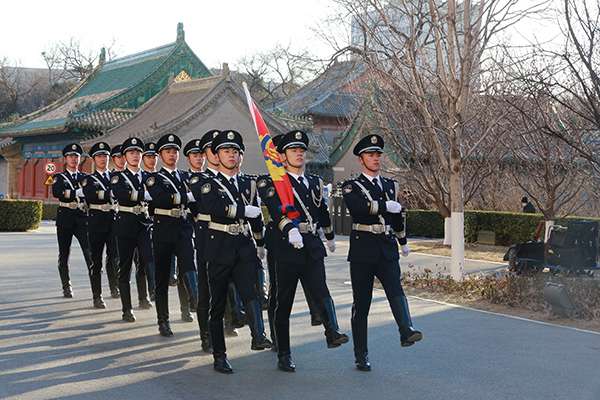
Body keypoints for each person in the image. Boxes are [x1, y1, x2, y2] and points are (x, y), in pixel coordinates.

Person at [260, 130, 349, 372]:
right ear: (282, 155)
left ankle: (332, 330)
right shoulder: (272, 182)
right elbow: (275, 208)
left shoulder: (315, 182)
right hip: (287, 245)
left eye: (302, 151)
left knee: (320, 288)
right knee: (284, 301)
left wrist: (329, 237)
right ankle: (284, 353)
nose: (299, 154)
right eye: (293, 151)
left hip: (311, 244)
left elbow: (321, 212)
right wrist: (289, 227)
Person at [342, 134, 422, 372]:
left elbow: (396, 216)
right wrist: (384, 205)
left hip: (387, 246)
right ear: (360, 159)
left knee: (395, 288)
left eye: (378, 155)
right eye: (371, 155)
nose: (376, 159)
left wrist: (403, 240)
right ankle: (361, 354)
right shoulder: (351, 186)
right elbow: (357, 208)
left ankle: (406, 329)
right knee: (362, 303)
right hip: (363, 248)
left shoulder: (391, 185)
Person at [198, 130, 272, 373]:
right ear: (216, 156)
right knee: (217, 305)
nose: (231, 155)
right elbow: (215, 207)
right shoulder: (207, 183)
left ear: (240, 156)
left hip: (243, 246)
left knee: (250, 292)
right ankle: (220, 355)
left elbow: (257, 216)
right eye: (226, 151)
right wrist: (243, 211)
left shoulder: (248, 183)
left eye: (235, 152)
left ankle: (258, 335)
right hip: (218, 247)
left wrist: (260, 242)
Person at [144, 134, 198, 337]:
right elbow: (161, 198)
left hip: (183, 228)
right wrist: (185, 197)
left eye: (175, 151)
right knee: (162, 277)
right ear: (160, 155)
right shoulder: (153, 178)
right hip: (163, 229)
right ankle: (163, 320)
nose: (172, 155)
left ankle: (194, 298)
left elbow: (196, 201)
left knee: (188, 265)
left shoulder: (186, 177)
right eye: (168, 151)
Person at [110, 137, 155, 323]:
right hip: (125, 224)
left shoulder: (149, 177)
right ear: (125, 156)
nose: (135, 156)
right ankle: (127, 308)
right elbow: (121, 194)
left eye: (138, 153)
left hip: (144, 223)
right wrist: (143, 195)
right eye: (131, 153)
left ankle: (151, 291)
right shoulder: (117, 177)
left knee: (148, 257)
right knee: (125, 267)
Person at [51, 143, 93, 298]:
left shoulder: (85, 177)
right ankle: (66, 285)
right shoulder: (58, 177)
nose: (74, 159)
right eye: (71, 156)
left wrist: (78, 193)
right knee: (64, 252)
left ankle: (95, 289)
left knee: (89, 253)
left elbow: (90, 194)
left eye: (76, 156)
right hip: (65, 218)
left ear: (80, 159)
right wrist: (78, 192)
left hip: (81, 217)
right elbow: (57, 193)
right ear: (65, 159)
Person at [81, 142, 119, 308]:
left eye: (105, 156)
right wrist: (109, 193)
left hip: (113, 221)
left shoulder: (117, 177)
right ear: (93, 160)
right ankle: (97, 295)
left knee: (114, 257)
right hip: (96, 222)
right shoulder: (88, 180)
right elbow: (90, 196)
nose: (103, 159)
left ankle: (114, 286)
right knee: (96, 260)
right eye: (99, 157)